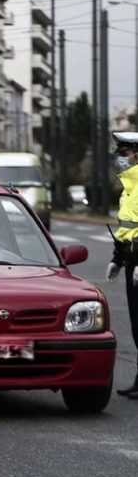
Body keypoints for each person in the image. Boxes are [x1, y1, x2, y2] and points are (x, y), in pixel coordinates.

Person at [106, 131, 138, 398]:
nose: (121, 159)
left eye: (125, 153)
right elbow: (127, 228)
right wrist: (117, 259)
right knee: (137, 325)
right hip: (131, 262)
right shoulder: (130, 187)